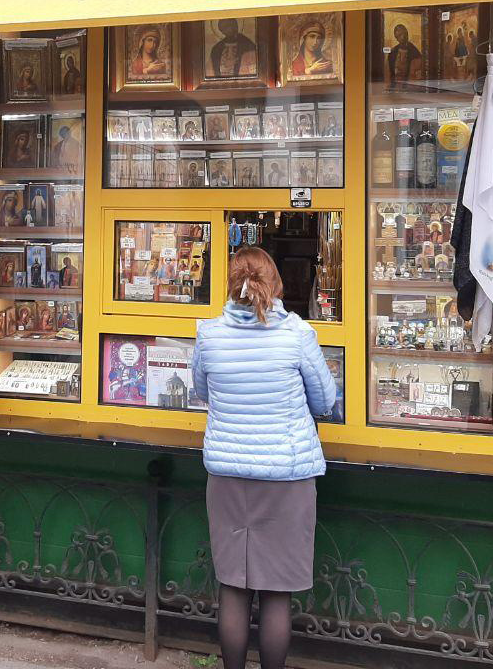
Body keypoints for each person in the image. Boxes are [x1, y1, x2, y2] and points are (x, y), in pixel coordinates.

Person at [191, 247, 336, 669]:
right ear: (274, 283)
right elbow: (326, 399)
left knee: (233, 587)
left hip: (227, 477)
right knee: (276, 592)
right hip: (286, 478)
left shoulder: (209, 334)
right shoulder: (296, 334)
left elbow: (202, 390)